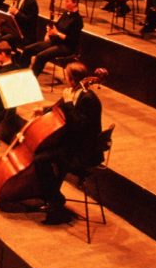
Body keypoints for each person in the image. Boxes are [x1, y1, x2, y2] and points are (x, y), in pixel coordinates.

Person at [31, 62, 103, 225]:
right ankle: (53, 197)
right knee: (43, 154)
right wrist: (43, 111)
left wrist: (69, 103)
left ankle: (55, 200)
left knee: (40, 160)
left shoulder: (88, 99)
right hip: (73, 144)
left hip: (84, 152)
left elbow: (78, 125)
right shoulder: (75, 92)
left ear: (71, 79)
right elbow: (61, 108)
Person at [21, 0, 83, 75]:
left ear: (75, 3)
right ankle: (21, 71)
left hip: (66, 47)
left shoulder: (78, 20)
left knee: (40, 57)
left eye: (67, 1)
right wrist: (49, 32)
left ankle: (33, 78)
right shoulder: (65, 13)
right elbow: (56, 26)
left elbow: (72, 40)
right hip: (55, 42)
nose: (64, 3)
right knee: (28, 49)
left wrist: (57, 33)